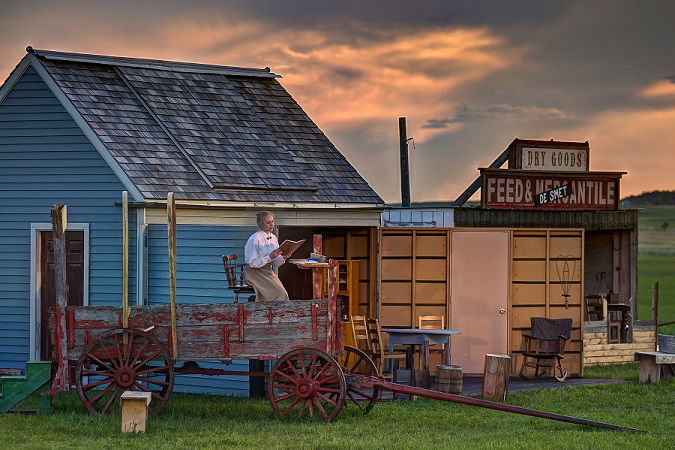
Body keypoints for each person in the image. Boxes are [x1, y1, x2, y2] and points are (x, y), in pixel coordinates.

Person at [243, 211, 290, 302]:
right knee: (279, 293)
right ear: (261, 224)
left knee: (283, 294)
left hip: (267, 271)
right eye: (268, 222)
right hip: (254, 272)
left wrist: (284, 257)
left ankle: (274, 314)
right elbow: (252, 263)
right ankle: (266, 313)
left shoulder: (273, 237)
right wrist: (270, 257)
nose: (272, 224)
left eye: (272, 221)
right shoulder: (255, 239)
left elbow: (275, 263)